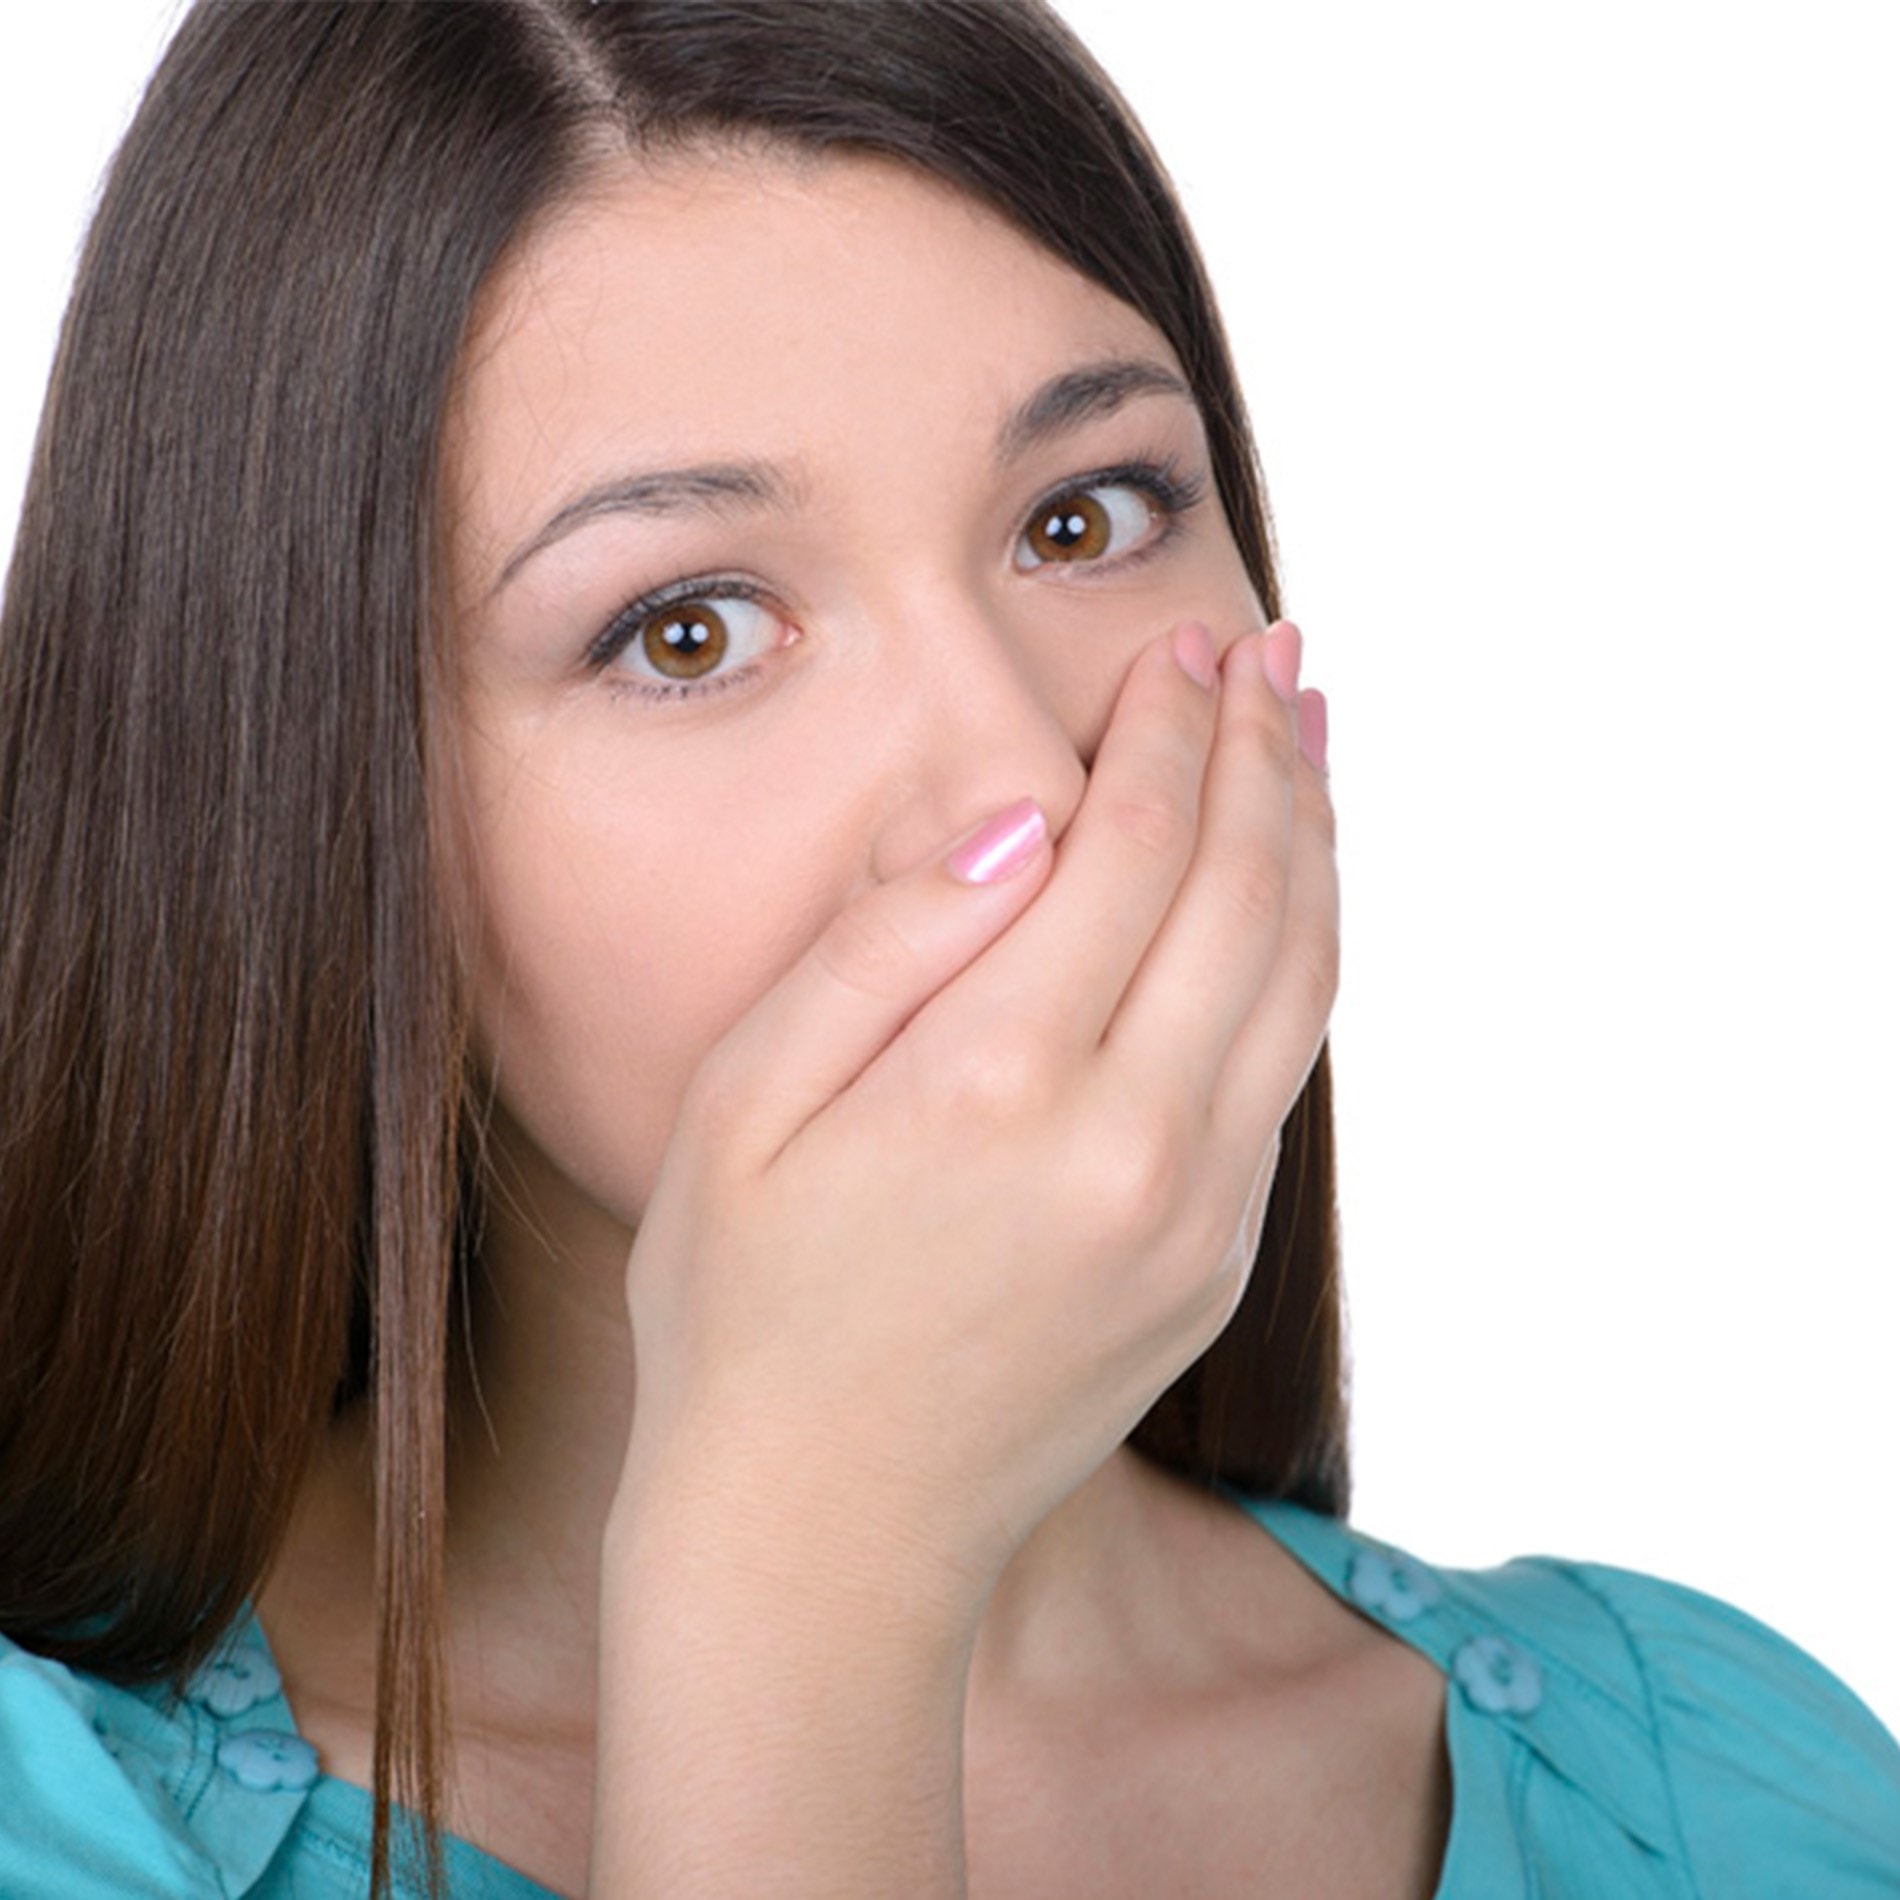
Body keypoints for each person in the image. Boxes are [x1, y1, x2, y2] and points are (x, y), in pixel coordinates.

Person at [0, 2, 1894, 1896]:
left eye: (1086, 519)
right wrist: (811, 1569)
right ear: (302, 792)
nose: (1019, 780)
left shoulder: (1738, 1793)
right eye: (687, 632)